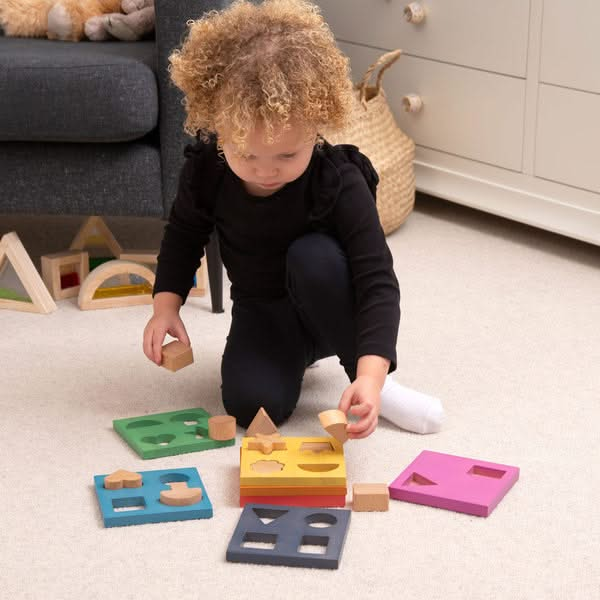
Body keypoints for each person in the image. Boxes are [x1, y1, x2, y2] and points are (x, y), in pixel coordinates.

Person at [142, 0, 444, 438]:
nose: (266, 170)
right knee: (251, 406)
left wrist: (372, 376)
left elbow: (377, 280)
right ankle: (299, 349)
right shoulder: (207, 168)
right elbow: (184, 235)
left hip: (332, 297)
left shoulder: (337, 179)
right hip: (263, 306)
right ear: (217, 128)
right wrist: (164, 306)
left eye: (288, 154)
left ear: (319, 126)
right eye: (247, 154)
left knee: (312, 255)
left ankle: (376, 379)